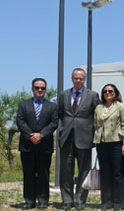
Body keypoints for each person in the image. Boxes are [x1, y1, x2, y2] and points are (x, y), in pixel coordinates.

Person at [58, 67, 100, 210]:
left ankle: (80, 201)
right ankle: (67, 201)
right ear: (72, 79)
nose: (78, 80)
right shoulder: (63, 95)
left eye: (81, 78)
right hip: (66, 137)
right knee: (65, 171)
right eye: (76, 78)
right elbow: (60, 114)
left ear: (84, 79)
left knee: (84, 171)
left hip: (85, 138)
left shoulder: (93, 95)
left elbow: (97, 116)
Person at [16, 77, 58, 210]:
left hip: (44, 145)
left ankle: (43, 201)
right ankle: (29, 201)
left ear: (45, 90)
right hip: (27, 145)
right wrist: (31, 136)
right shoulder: (23, 104)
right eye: (37, 88)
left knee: (43, 174)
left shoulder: (52, 106)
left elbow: (54, 123)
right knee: (28, 173)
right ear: (32, 89)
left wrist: (41, 135)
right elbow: (20, 121)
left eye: (42, 88)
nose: (40, 90)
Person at [94, 83, 124, 209]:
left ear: (115, 93)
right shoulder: (98, 107)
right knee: (105, 173)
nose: (108, 93)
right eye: (105, 91)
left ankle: (119, 202)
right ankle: (106, 201)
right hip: (102, 144)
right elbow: (96, 124)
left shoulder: (120, 107)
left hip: (118, 143)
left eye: (110, 91)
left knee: (118, 173)